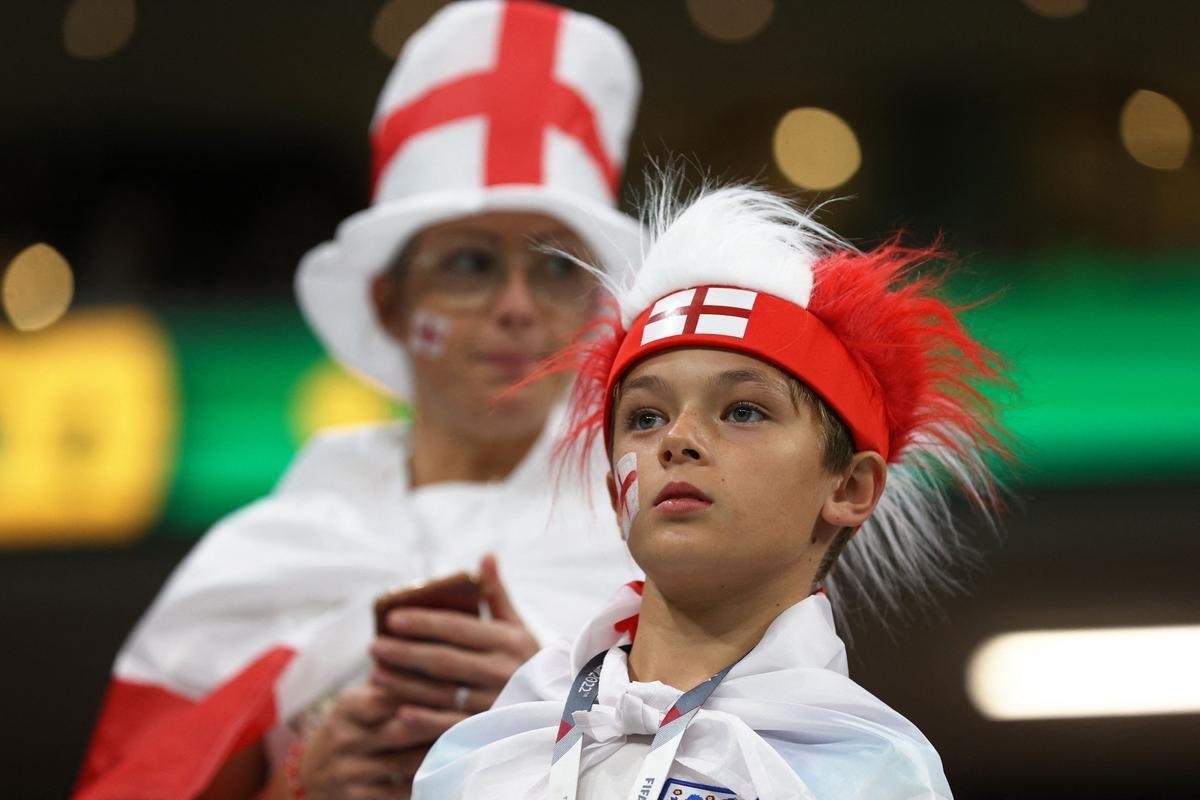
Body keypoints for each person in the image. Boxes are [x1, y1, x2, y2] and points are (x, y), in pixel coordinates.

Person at [75, 2, 643, 798]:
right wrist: (299, 788)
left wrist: (558, 719)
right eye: (472, 265)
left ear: (597, 308)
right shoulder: (265, 559)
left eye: (557, 269)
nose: (518, 306)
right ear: (389, 304)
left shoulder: (663, 549)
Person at [411, 182, 1010, 799]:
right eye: (644, 418)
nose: (677, 439)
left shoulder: (873, 775)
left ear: (851, 486)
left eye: (744, 411)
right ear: (618, 495)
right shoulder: (488, 747)